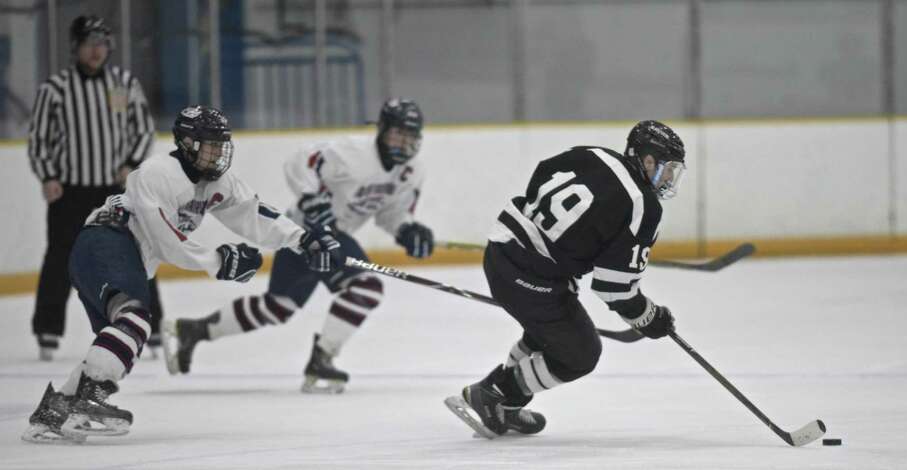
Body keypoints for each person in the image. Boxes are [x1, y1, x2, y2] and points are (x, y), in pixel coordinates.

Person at [21, 106, 343, 444]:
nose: (218, 153)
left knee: (125, 337)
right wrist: (220, 261)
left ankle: (53, 414)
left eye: (222, 145)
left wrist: (302, 239)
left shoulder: (218, 183)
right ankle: (86, 401)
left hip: (124, 256)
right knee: (135, 320)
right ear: (187, 143)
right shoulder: (157, 174)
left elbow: (255, 214)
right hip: (105, 243)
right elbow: (167, 242)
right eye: (210, 145)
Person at [164, 98, 434, 393]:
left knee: (277, 307)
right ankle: (322, 360)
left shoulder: (412, 171)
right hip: (308, 231)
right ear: (381, 130)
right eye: (397, 133)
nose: (402, 143)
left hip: (324, 236)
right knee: (365, 287)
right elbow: (298, 160)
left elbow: (391, 213)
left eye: (409, 137)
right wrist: (311, 197)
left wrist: (407, 229)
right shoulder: (351, 152)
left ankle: (193, 330)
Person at [444, 120, 687, 438]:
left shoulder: (591, 154)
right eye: (668, 168)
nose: (669, 178)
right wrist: (650, 318)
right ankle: (495, 394)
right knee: (581, 353)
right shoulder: (644, 206)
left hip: (501, 249)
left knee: (549, 333)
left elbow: (541, 176)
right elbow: (615, 290)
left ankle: (505, 405)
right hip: (531, 278)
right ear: (648, 159)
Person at [27, 15, 165, 361]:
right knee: (61, 256)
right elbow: (39, 139)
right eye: (89, 43)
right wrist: (48, 176)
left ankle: (153, 323)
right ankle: (48, 327)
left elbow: (144, 130)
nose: (96, 50)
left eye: (102, 43)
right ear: (75, 47)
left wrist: (131, 164)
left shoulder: (123, 84)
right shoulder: (55, 89)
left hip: (113, 190)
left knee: (135, 253)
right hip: (70, 191)